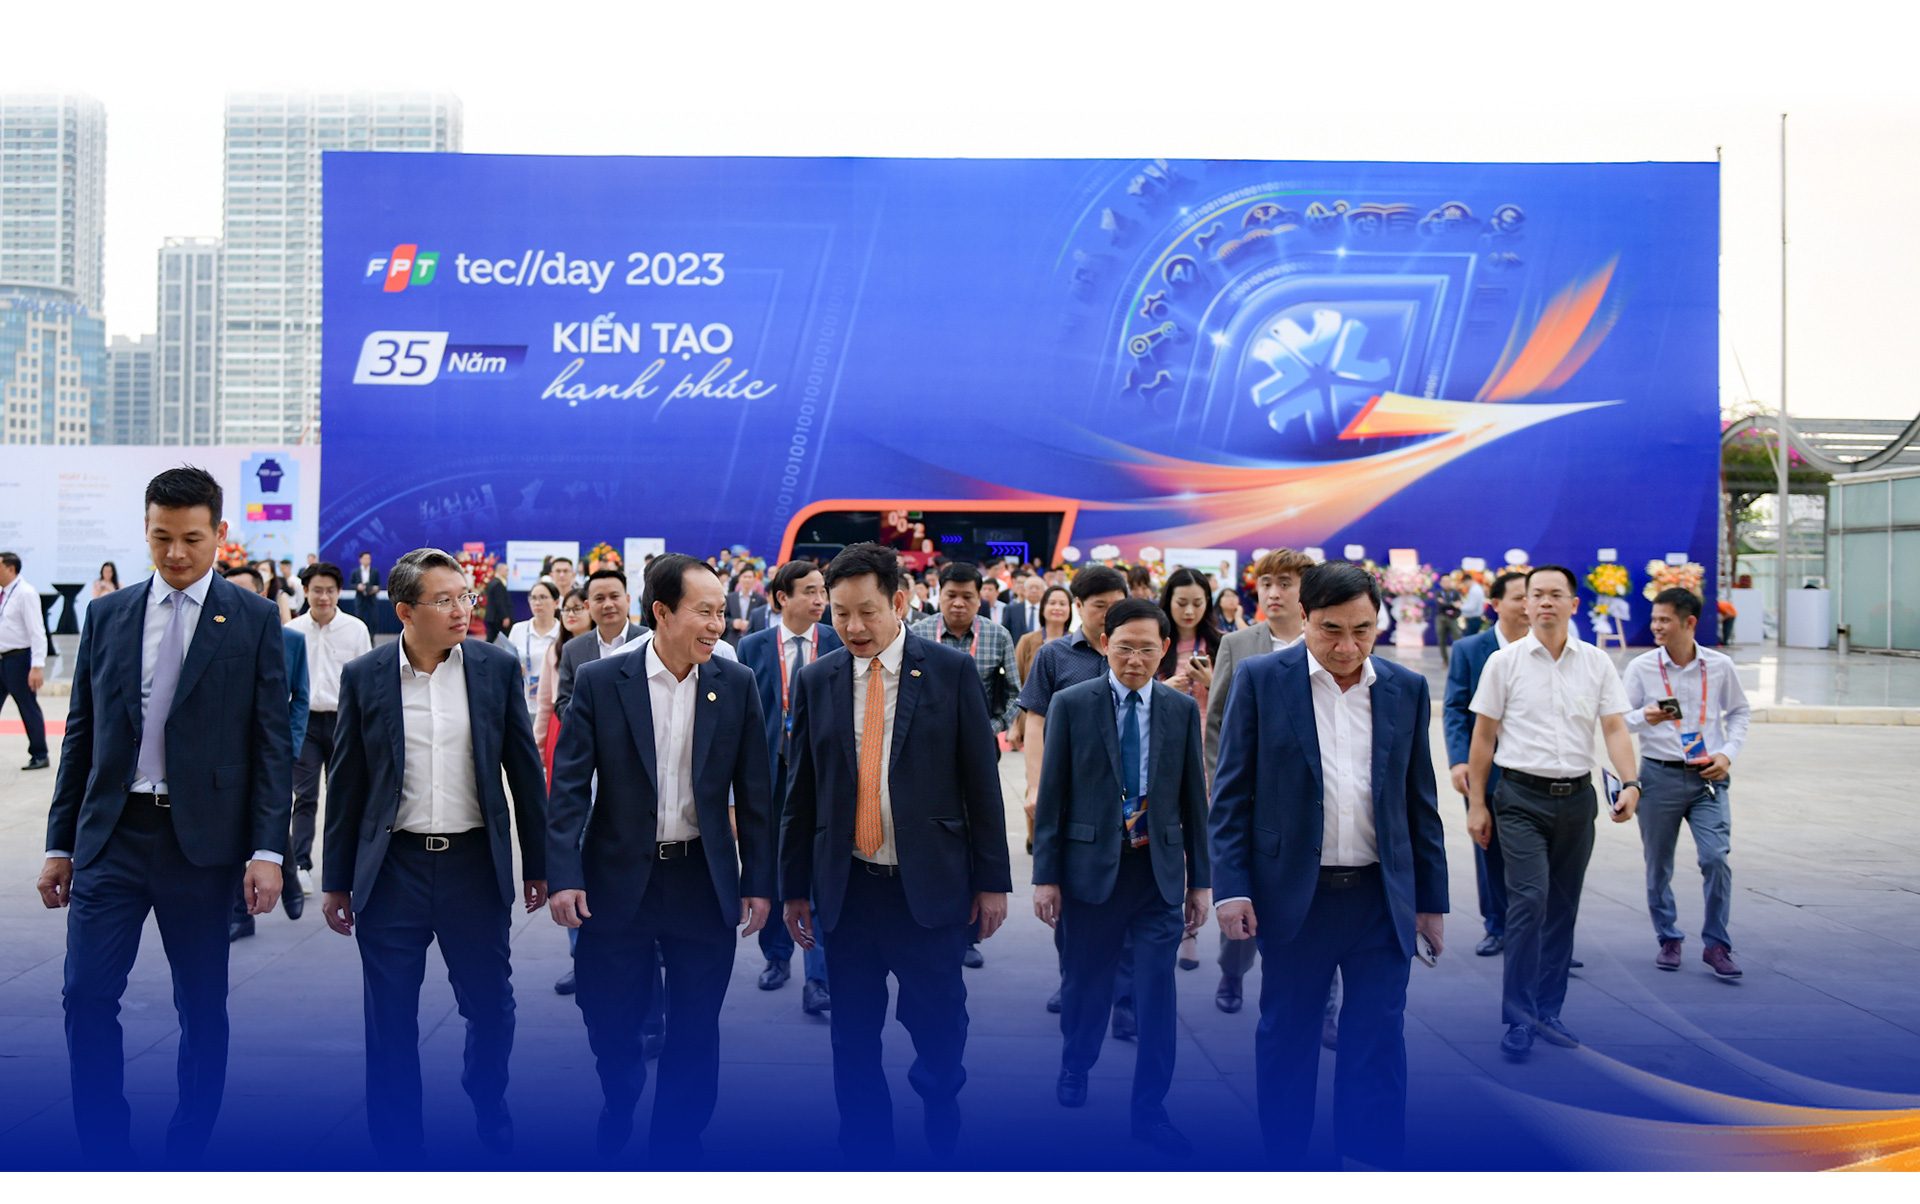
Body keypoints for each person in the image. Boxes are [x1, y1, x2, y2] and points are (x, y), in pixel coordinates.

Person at [38, 466, 292, 1166]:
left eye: (191, 539)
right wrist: (59, 844)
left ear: (219, 533)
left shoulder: (253, 619)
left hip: (201, 846)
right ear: (146, 530)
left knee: (201, 1006)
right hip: (113, 835)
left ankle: (188, 1150)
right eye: (160, 538)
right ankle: (103, 1151)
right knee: (85, 994)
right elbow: (82, 737)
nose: (175, 553)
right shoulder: (110, 615)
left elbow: (272, 742)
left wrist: (267, 851)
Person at [779, 543, 1012, 1165]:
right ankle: (864, 1147)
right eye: (841, 614)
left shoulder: (950, 672)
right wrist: (794, 886)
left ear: (900, 602)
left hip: (928, 889)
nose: (853, 627)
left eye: (867, 612)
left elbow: (981, 784)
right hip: (849, 889)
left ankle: (940, 1112)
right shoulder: (817, 679)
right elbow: (801, 792)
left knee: (939, 1025)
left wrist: (992, 881)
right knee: (852, 1036)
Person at [1210, 561, 1448, 1169]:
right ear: (1304, 618)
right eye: (1331, 630)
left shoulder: (1405, 688)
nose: (1347, 647)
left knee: (1378, 1043)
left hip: (1380, 899)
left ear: (1378, 622)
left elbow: (1419, 802)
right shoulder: (1262, 680)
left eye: (1362, 631)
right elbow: (1231, 795)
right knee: (1288, 1039)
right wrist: (1231, 888)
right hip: (1296, 898)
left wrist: (1430, 902)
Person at [319, 548, 549, 1163]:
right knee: (390, 1020)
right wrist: (337, 879)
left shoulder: (495, 668)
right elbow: (347, 784)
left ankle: (487, 1097)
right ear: (405, 611)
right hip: (393, 869)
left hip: (473, 868)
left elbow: (525, 774)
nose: (460, 610)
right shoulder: (365, 675)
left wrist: (539, 864)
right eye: (443, 600)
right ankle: (398, 1148)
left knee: (492, 1009)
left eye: (464, 597)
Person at [548, 553, 775, 1164]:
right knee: (610, 1018)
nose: (717, 625)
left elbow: (756, 794)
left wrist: (759, 881)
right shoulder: (602, 681)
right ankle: (620, 1097)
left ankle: (677, 1140)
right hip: (617, 879)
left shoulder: (735, 683)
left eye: (721, 613)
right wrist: (564, 874)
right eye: (704, 612)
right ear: (662, 612)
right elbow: (568, 788)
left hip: (702, 878)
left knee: (696, 1024)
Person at [1032, 598, 1209, 1157]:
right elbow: (1053, 796)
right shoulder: (1072, 704)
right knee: (1086, 985)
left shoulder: (1180, 710)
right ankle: (1075, 1064)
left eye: (1148, 650)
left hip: (1156, 875)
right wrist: (1046, 876)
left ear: (1165, 650)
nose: (1135, 660)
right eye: (1125, 648)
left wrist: (1201, 883)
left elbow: (1194, 800)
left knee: (1157, 997)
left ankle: (1151, 1110)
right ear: (1105, 644)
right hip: (1090, 874)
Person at [1466, 564, 1641, 1060]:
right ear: (1525, 604)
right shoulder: (1504, 662)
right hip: (1520, 799)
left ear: (1573, 604)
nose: (1544, 602)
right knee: (1529, 902)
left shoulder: (1596, 662)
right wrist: (1477, 804)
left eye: (1555, 594)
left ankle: (1549, 1011)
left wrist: (1630, 782)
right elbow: (1483, 736)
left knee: (1563, 908)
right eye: (1536, 594)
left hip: (1578, 800)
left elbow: (1614, 728)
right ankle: (1519, 1019)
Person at [1204, 547, 1312, 1013]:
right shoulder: (1238, 644)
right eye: (1266, 583)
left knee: (1316, 901)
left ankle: (1323, 998)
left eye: (1285, 583)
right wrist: (1218, 783)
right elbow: (1216, 722)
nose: (1273, 592)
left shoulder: (1324, 640)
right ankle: (1233, 971)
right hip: (1251, 794)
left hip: (1311, 798)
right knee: (1242, 889)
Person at [1622, 587, 1751, 978]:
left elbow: (1740, 712)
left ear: (1689, 622)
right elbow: (1618, 720)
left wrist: (1727, 754)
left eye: (1664, 620)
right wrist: (1645, 716)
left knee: (1715, 858)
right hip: (1658, 775)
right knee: (1658, 864)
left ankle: (1717, 944)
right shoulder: (1642, 667)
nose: (1656, 626)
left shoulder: (1719, 665)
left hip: (1708, 776)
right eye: (1654, 619)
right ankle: (1669, 937)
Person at [1017, 565, 1128, 1017]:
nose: (1109, 615)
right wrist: (1036, 785)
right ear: (1078, 606)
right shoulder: (1055, 656)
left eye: (1116, 606)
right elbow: (1035, 723)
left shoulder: (1134, 652)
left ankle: (1124, 997)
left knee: (1128, 897)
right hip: (1072, 796)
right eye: (1100, 607)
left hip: (1128, 797)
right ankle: (1074, 981)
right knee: (1071, 899)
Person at [739, 559, 842, 1011]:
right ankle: (776, 957)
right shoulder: (752, 647)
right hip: (771, 775)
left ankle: (818, 977)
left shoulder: (837, 642)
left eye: (823, 591)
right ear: (782, 598)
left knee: (819, 869)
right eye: (810, 591)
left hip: (824, 774)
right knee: (775, 867)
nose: (820, 600)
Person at [909, 560, 1021, 969]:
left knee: (975, 833)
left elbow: (1015, 694)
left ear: (981, 599)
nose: (958, 603)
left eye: (967, 597)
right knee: (932, 834)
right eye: (951, 595)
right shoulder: (917, 633)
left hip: (979, 752)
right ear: (938, 595)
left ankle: (968, 933)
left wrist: (990, 728)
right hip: (923, 753)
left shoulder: (997, 636)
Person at [218, 564, 310, 933]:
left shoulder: (291, 641)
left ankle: (287, 873)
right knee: (230, 824)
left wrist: (291, 744)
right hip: (225, 754)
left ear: (261, 594)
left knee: (268, 813)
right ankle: (240, 914)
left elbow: (299, 698)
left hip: (271, 749)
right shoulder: (213, 636)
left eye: (243, 591)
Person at [1443, 570, 1529, 958]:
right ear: (1495, 604)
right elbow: (1455, 709)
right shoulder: (1470, 649)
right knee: (1489, 846)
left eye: (1533, 596)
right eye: (1520, 597)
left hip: (1535, 769)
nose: (1529, 605)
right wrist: (1460, 761)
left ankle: (1542, 932)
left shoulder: (1548, 647)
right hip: (1486, 768)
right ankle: (1497, 925)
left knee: (1539, 855)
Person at [284, 562, 372, 906]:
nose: (324, 597)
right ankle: (302, 865)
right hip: (304, 722)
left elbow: (367, 682)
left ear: (338, 592)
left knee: (344, 796)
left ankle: (345, 866)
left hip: (343, 723)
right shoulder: (291, 630)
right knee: (304, 796)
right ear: (305, 591)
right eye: (317, 590)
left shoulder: (355, 629)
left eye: (330, 590)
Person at [554, 568, 646, 724]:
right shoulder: (572, 649)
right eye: (599, 598)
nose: (608, 604)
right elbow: (563, 703)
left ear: (628, 600)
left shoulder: (648, 641)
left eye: (614, 596)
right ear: (588, 606)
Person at [0, 551, 52, 770]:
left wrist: (37, 666)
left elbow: (37, 632)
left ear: (11, 569)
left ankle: (40, 754)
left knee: (27, 707)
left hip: (19, 660)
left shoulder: (25, 593)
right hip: (2, 659)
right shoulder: (4, 594)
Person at [535, 587, 592, 774]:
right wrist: (538, 745)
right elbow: (545, 703)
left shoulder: (603, 647)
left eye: (577, 608)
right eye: (566, 609)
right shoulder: (555, 650)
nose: (570, 614)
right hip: (561, 725)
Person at [506, 579, 563, 729]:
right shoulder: (518, 630)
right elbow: (505, 664)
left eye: (543, 597)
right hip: (523, 703)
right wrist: (514, 669)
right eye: (533, 598)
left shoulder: (563, 632)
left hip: (554, 706)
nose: (537, 603)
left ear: (556, 602)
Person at [1014, 585, 1073, 685]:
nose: (1057, 608)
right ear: (1043, 608)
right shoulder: (1026, 641)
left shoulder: (1077, 641)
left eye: (1063, 604)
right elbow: (1016, 679)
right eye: (1052, 603)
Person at [723, 565, 767, 646]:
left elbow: (763, 621)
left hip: (752, 639)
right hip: (732, 639)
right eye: (744, 577)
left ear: (754, 579)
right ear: (739, 579)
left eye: (750, 577)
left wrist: (750, 624)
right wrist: (733, 623)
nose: (747, 579)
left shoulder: (761, 599)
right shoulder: (730, 598)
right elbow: (723, 617)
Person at [483, 567, 513, 643]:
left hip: (492, 617)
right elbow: (499, 602)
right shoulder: (498, 584)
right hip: (498, 618)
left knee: (490, 639)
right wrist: (505, 616)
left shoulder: (492, 582)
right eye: (506, 570)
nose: (508, 573)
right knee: (508, 639)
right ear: (500, 571)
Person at [351, 552, 381, 620]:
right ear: (360, 560)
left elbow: (379, 585)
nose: (367, 560)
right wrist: (357, 587)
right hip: (360, 599)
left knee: (374, 619)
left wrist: (375, 589)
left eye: (369, 559)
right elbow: (350, 584)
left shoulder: (375, 571)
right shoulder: (355, 571)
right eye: (365, 558)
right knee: (359, 619)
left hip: (371, 599)